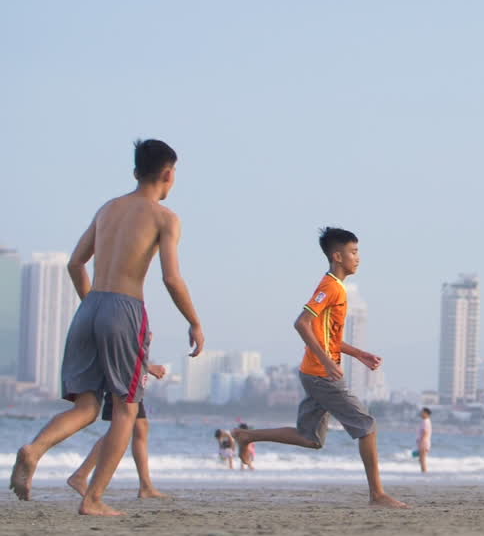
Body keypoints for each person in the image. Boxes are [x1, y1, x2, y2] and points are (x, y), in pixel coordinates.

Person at [9, 140, 204, 515]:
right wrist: (194, 321)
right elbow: (172, 279)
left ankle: (34, 449)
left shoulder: (108, 209)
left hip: (90, 307)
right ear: (168, 174)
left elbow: (74, 264)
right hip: (124, 307)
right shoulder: (165, 218)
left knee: (86, 406)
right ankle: (94, 499)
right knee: (126, 410)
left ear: (135, 172)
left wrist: (94, 307)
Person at [231, 228, 407, 508]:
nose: (358, 258)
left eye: (358, 251)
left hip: (314, 372)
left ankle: (247, 436)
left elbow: (330, 338)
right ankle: (377, 495)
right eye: (353, 252)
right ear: (337, 256)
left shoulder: (337, 288)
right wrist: (327, 361)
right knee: (367, 426)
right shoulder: (330, 287)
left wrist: (359, 353)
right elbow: (301, 323)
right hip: (321, 374)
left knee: (310, 437)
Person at [66, 356, 170, 500]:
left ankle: (146, 486)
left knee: (140, 427)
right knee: (120, 428)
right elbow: (123, 349)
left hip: (130, 377)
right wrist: (149, 367)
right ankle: (80, 475)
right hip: (122, 378)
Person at [417, 408, 432, 473]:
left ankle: (424, 473)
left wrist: (421, 442)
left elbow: (425, 432)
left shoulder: (425, 421)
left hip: (424, 442)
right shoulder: (426, 421)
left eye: (422, 412)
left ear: (426, 414)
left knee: (422, 459)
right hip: (424, 442)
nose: (421, 413)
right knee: (421, 459)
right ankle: (423, 472)